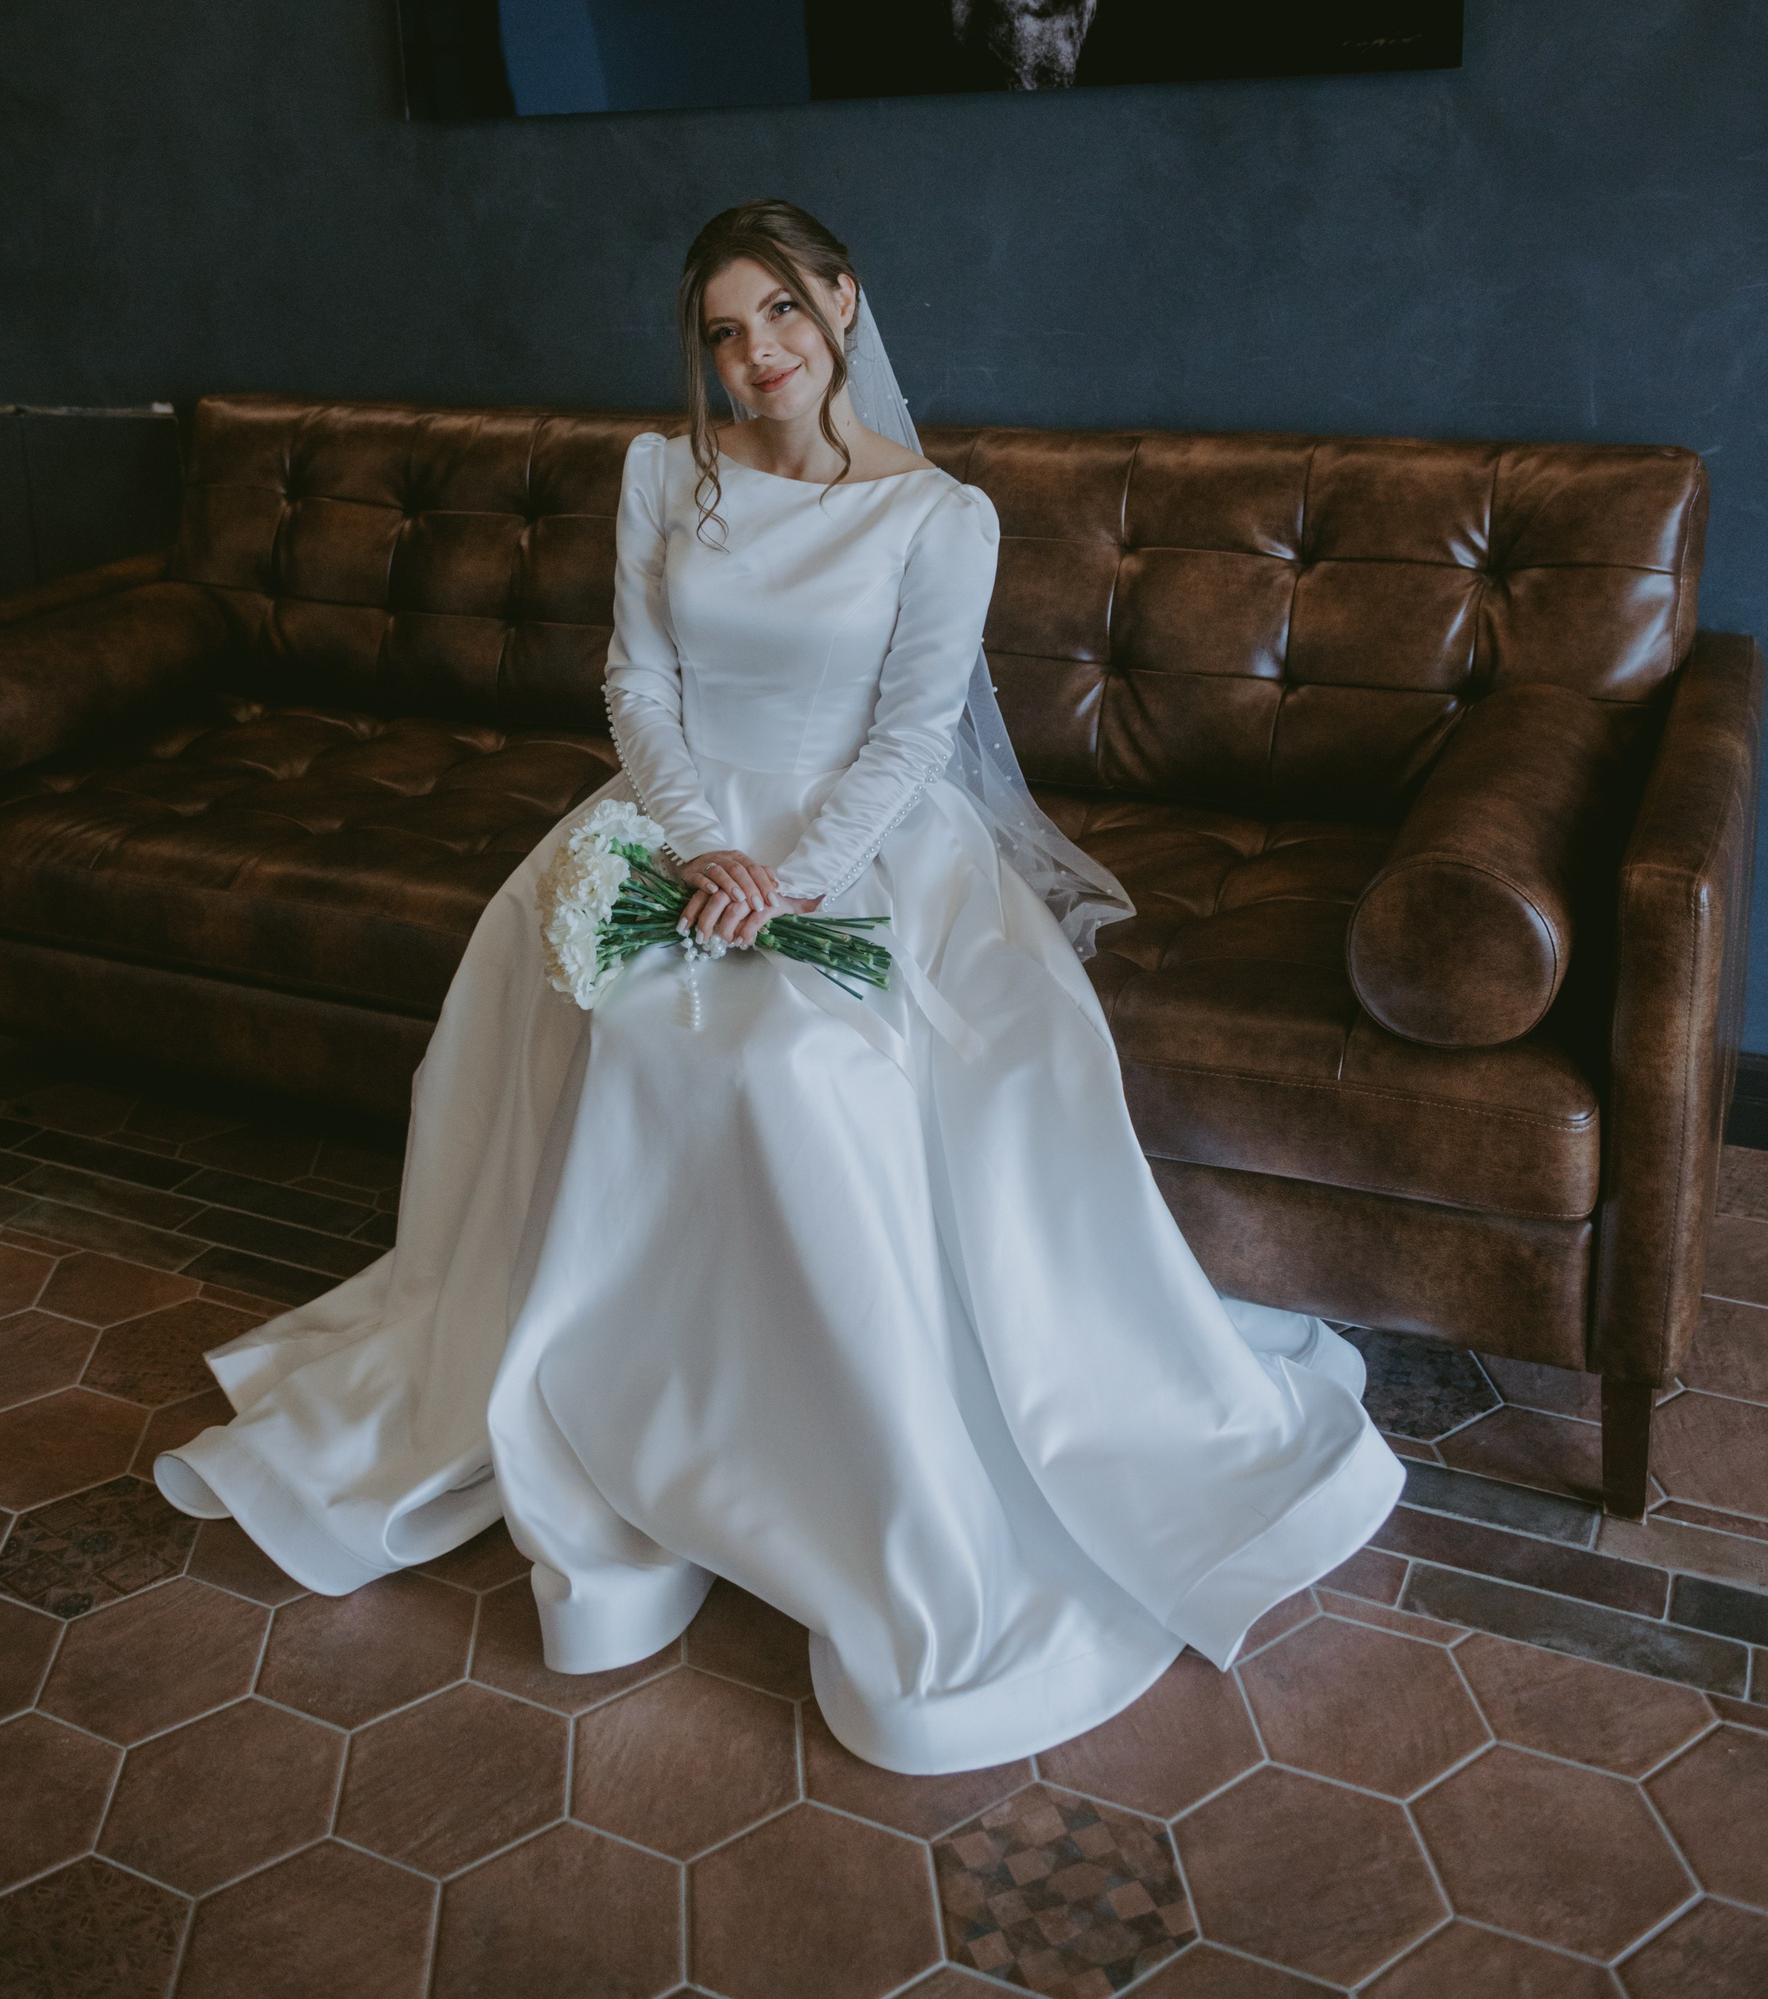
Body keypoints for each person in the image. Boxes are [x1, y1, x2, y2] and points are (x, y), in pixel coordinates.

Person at [155, 199, 1402, 1774]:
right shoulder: (659, 474)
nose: (758, 353)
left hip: (861, 847)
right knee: (603, 1014)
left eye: (784, 313)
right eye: (725, 330)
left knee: (793, 1067)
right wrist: (699, 847)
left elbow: (911, 733)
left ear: (844, 303)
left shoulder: (940, 516)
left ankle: (815, 1449)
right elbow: (635, 677)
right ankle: (616, 1398)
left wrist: (789, 878)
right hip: (674, 829)